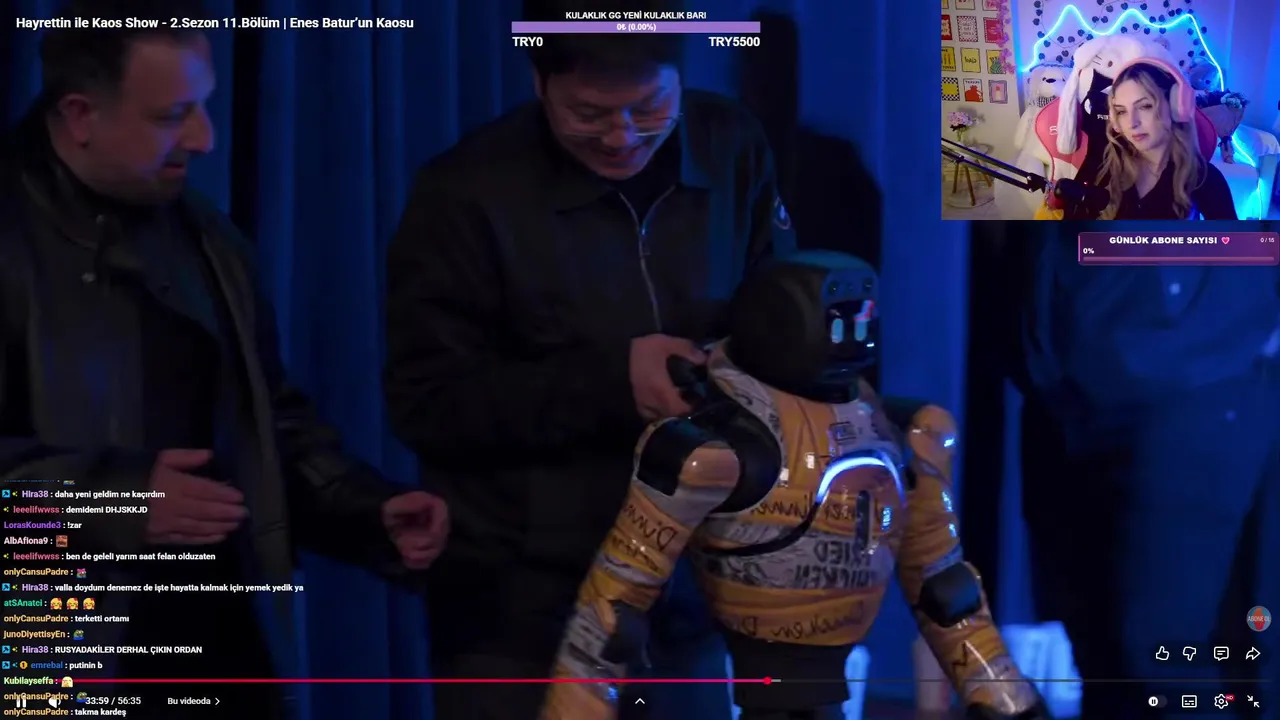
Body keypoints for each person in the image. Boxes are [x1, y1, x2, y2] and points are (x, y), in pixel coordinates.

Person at [0, 2, 450, 718]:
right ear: (81, 115)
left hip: (222, 647)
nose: (205, 139)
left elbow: (266, 420)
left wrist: (366, 511)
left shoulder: (205, 234)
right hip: (52, 656)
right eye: (172, 115)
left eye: (204, 107)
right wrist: (115, 501)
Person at [382, 0, 796, 717]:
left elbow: (776, 313)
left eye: (649, 107)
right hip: (522, 603)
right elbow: (428, 402)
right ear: (538, 81)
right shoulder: (466, 191)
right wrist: (614, 382)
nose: (621, 136)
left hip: (690, 583)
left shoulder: (730, 146)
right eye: (588, 113)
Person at [1001, 214, 1280, 717]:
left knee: (1159, 658)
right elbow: (986, 181)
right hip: (1058, 387)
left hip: (1190, 385)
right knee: (1097, 657)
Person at [1065, 57, 1236, 220]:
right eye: (1121, 111)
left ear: (1176, 107)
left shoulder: (1203, 177)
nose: (1132, 123)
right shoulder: (1106, 166)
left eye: (1145, 106)